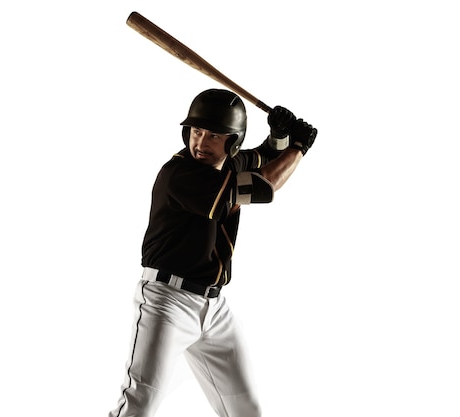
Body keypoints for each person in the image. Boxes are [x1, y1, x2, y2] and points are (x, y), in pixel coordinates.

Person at [108, 88, 317, 417]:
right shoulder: (180, 174)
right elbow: (262, 187)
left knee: (246, 409)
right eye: (197, 131)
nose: (201, 143)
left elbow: (264, 156)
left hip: (215, 308)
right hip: (167, 303)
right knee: (139, 405)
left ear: (233, 141)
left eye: (214, 136)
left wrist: (278, 136)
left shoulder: (230, 163)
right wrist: (300, 147)